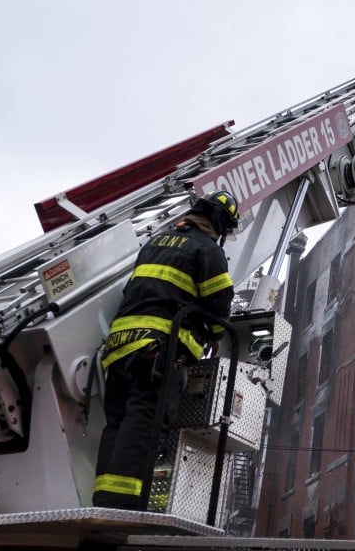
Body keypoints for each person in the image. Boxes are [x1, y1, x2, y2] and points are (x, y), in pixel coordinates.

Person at [93, 190, 240, 510]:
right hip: (158, 352)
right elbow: (218, 307)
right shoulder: (208, 250)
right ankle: (126, 507)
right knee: (145, 422)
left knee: (116, 424)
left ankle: (104, 500)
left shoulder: (155, 243)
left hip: (119, 348)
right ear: (219, 223)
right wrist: (214, 335)